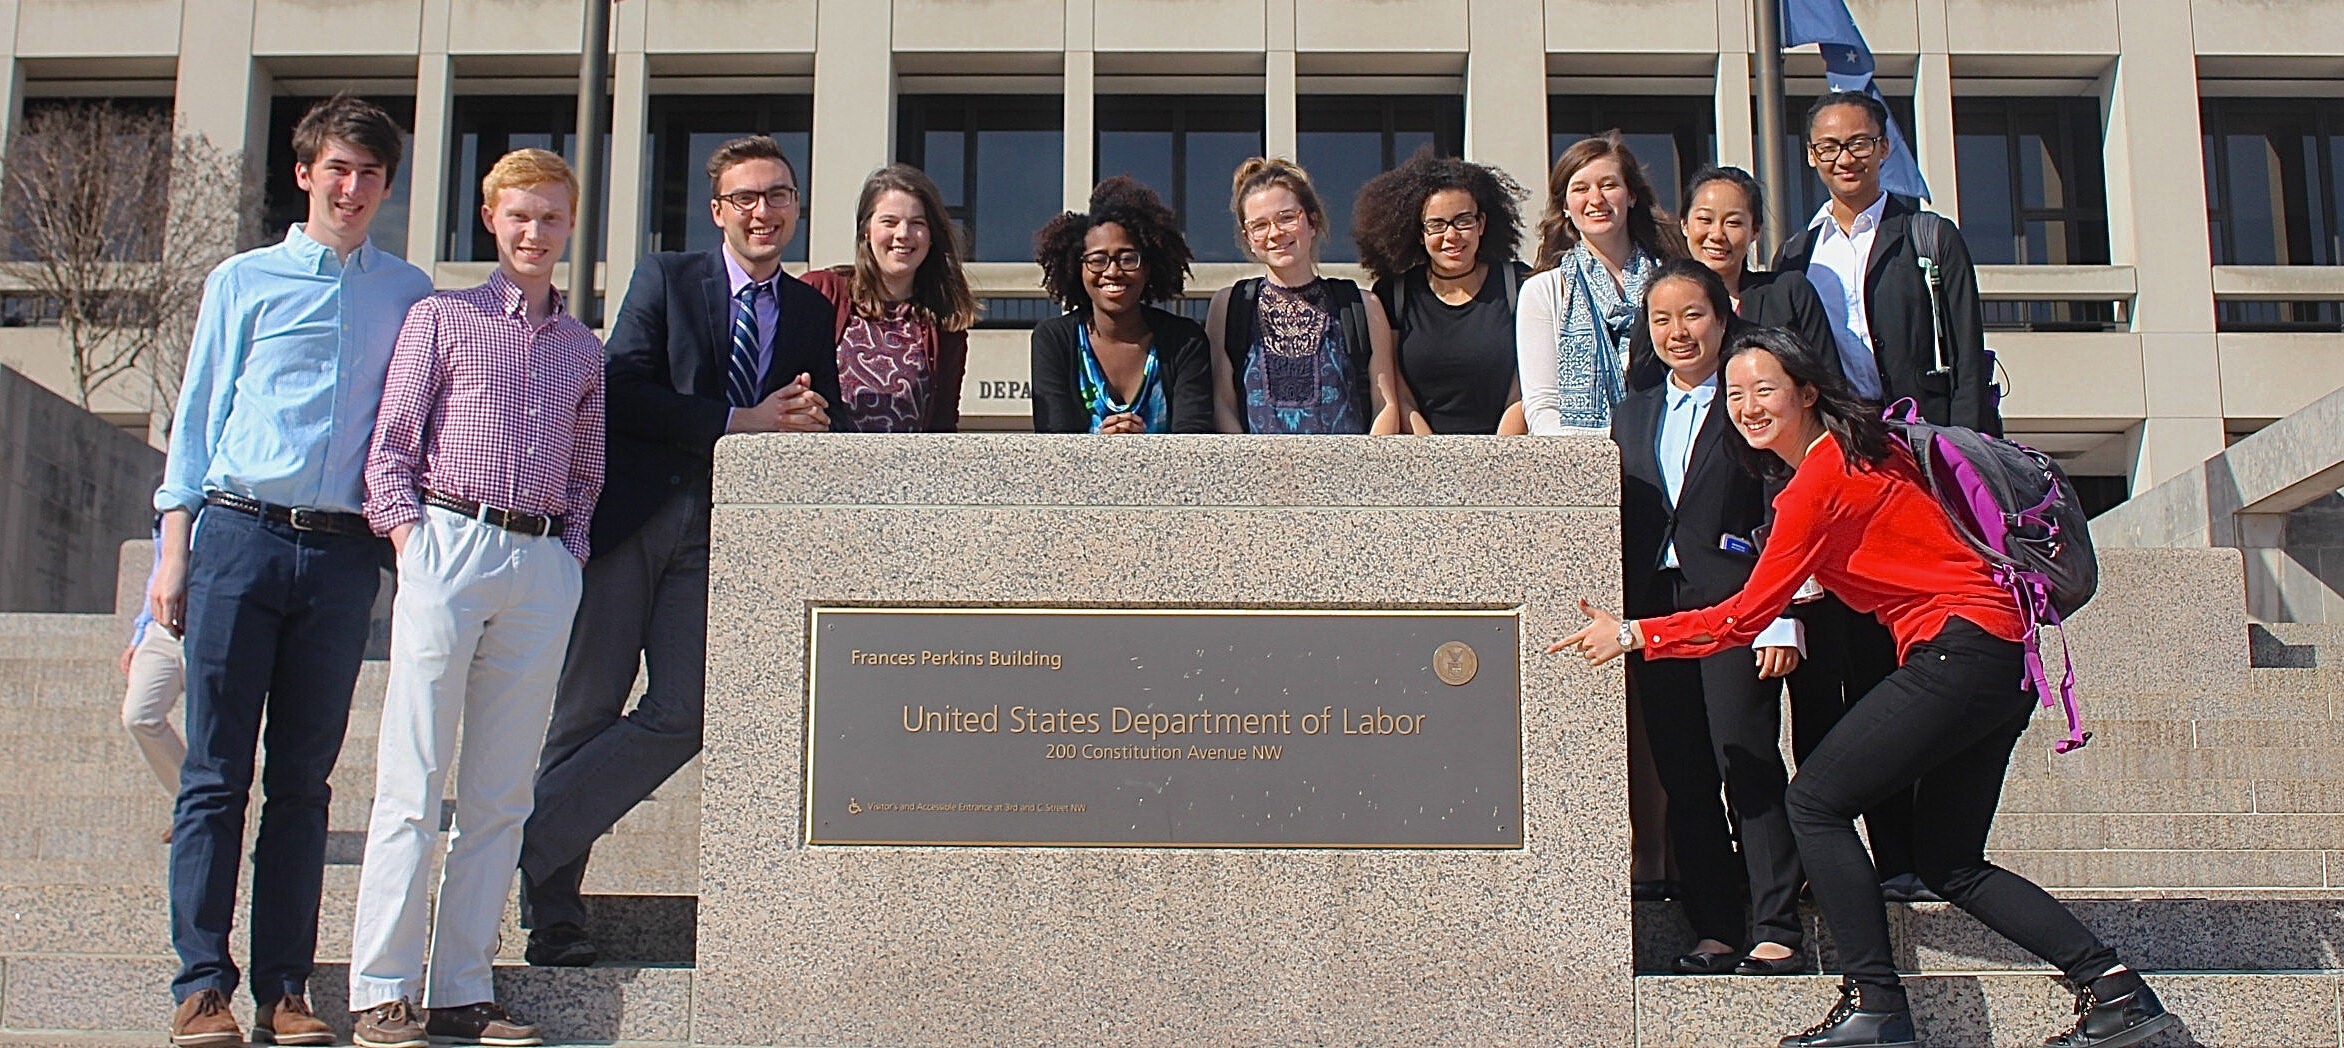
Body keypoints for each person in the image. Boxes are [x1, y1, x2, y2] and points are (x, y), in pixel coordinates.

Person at [1555, 327, 2176, 1048]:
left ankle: (1876, 1004)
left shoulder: (1817, 483)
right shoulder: (1875, 448)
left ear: (1807, 392)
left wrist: (1634, 634)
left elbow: (1744, 618)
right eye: (1735, 394)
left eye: (1766, 391)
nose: (1749, 407)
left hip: (1960, 650)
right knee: (1950, 863)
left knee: (1814, 804)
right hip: (2005, 655)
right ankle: (2115, 988)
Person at [148, 93, 433, 1048]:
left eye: (370, 175)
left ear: (387, 187)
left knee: (304, 781)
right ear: (306, 174)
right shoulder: (243, 281)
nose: (352, 189)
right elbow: (197, 419)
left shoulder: (409, 292)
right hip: (238, 535)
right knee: (215, 775)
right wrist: (173, 553)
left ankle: (286, 988)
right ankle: (201, 986)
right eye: (337, 171)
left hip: (343, 552)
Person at [518, 135, 839, 967]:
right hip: (633, 519)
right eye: (746, 198)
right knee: (585, 711)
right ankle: (552, 909)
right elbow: (622, 385)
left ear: (796, 206)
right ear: (718, 212)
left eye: (777, 196)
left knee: (685, 709)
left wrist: (808, 417)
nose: (763, 212)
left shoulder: (808, 309)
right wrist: (739, 422)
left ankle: (519, 839)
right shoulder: (666, 278)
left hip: (721, 537)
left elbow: (808, 406)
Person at [345, 148, 603, 1048]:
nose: (537, 234)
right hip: (448, 543)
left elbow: (588, 466)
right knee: (412, 783)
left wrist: (567, 558)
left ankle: (460, 988)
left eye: (553, 219)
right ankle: (382, 985)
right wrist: (414, 542)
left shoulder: (582, 347)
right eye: (521, 217)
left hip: (539, 562)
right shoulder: (440, 319)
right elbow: (392, 448)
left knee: (499, 795)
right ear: (492, 220)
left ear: (572, 228)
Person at [1614, 260, 1807, 978]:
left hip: (1739, 607)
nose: (1677, 332)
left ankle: (1778, 924)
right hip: (1656, 615)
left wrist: (1781, 617)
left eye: (1691, 315)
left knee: (1746, 762)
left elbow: (1781, 508)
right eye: (1661, 319)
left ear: (1722, 318)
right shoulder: (1633, 409)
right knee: (1686, 775)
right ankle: (1717, 926)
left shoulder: (1748, 399)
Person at [1773, 90, 1997, 435]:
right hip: (1838, 436)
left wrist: (1964, 447)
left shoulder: (1929, 237)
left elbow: (1966, 358)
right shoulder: (1795, 256)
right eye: (1829, 147)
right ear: (1811, 155)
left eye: (1859, 143)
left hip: (1924, 433)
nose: (1845, 159)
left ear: (1884, 147)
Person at [1207, 157, 1404, 434]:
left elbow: (1385, 406)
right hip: (1256, 473)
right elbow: (1222, 404)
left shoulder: (1362, 305)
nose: (1275, 233)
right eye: (1259, 225)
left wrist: (1364, 473)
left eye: (1287, 218)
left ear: (1312, 222)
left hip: (1348, 473)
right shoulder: (1229, 306)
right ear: (1248, 237)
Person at [1351, 151, 1530, 435]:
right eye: (1436, 224)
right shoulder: (1394, 293)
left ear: (1481, 224)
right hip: (1423, 457)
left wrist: (1498, 457)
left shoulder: (1519, 284)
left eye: (1463, 221)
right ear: (1419, 232)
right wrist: (1435, 457)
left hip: (1505, 453)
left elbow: (1525, 385)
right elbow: (1396, 391)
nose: (1451, 235)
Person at [1517, 132, 1682, 435]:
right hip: (1579, 462)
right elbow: (1541, 409)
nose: (1596, 199)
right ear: (1565, 205)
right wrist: (1618, 445)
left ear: (1631, 195)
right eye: (1581, 188)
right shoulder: (1543, 292)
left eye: (1609, 185)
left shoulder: (1672, 284)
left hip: (1668, 456)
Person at [1626, 166, 1838, 393]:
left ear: (1755, 231)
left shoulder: (1788, 293)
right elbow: (1642, 392)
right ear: (1685, 224)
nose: (1717, 234)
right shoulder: (1661, 300)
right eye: (1705, 219)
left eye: (1734, 223)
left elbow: (1829, 384)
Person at [1029, 176, 1214, 434]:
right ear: (1077, 267)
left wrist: (1140, 448)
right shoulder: (1054, 339)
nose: (1113, 271)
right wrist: (1106, 452)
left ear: (1148, 267)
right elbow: (1053, 443)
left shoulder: (1185, 341)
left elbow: (1195, 442)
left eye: (1128, 258)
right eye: (1097, 259)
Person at [801, 163, 977, 432]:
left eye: (917, 223)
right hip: (823, 468)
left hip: (903, 472)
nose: (903, 234)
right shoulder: (820, 293)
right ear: (866, 230)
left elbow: (941, 429)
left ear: (931, 236)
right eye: (890, 222)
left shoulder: (944, 326)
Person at [121, 518, 188, 834]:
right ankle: (190, 799)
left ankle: (205, 809)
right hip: (162, 630)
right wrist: (138, 636)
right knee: (139, 715)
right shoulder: (169, 502)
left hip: (216, 624)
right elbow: (161, 566)